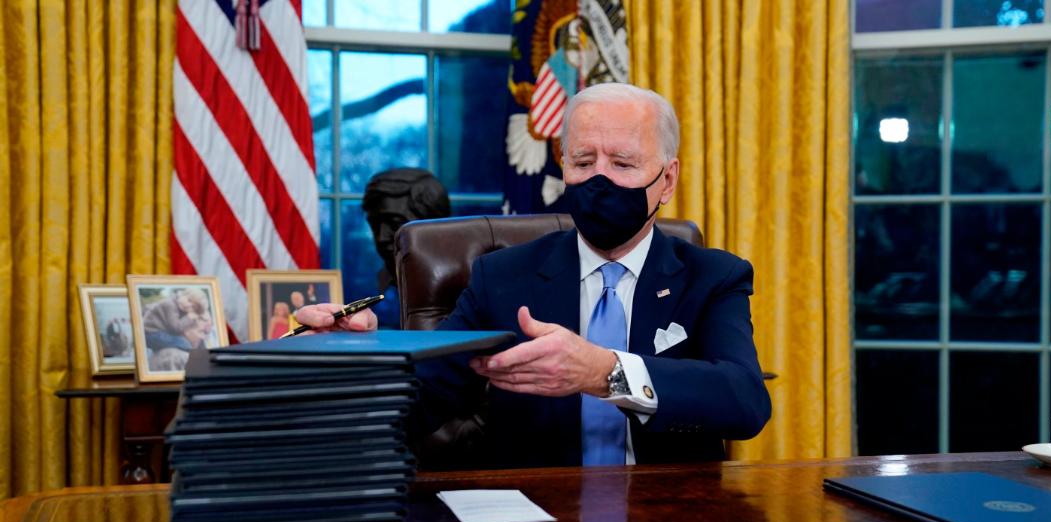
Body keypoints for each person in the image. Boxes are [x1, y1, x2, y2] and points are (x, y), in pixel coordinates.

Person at [297, 83, 771, 468]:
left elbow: (744, 402)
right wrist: (364, 354)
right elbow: (420, 400)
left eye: (622, 164)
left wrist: (605, 372)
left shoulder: (713, 277)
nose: (598, 180)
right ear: (563, 165)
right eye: (583, 162)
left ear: (666, 180)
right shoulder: (502, 277)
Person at [361, 168, 452, 329]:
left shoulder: (468, 290)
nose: (382, 237)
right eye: (375, 225)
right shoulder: (366, 289)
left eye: (395, 224)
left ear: (435, 225)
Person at [143, 288, 214, 371]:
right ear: (182, 294)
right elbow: (176, 328)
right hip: (151, 333)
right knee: (183, 342)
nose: (188, 305)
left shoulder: (180, 306)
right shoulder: (169, 304)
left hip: (158, 334)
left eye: (193, 307)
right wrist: (189, 317)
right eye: (189, 300)